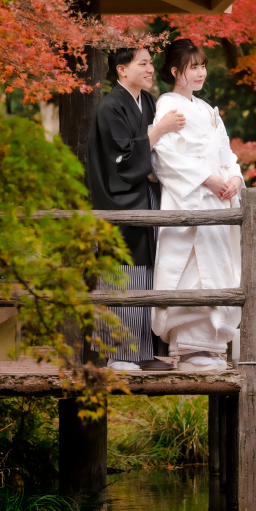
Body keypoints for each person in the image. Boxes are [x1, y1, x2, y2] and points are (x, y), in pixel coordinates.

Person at [87, 47, 186, 372]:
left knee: (149, 272)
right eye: (142, 63)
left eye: (150, 63)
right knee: (124, 270)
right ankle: (118, 354)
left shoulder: (150, 103)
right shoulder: (110, 107)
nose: (150, 68)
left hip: (146, 196)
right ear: (121, 69)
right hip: (119, 198)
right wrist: (158, 130)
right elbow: (122, 161)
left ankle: (144, 352)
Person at [150, 38, 244, 373]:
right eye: (193, 67)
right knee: (191, 270)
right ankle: (189, 351)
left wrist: (234, 177)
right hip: (191, 197)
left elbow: (226, 154)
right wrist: (207, 179)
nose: (201, 72)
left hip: (217, 201)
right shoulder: (168, 105)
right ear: (176, 71)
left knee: (217, 268)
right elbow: (165, 156)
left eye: (203, 66)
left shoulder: (206, 109)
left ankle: (214, 349)